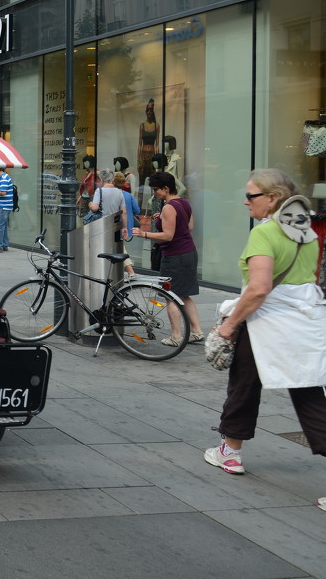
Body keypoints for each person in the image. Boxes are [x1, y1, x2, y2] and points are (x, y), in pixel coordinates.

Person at [206, 170, 326, 506]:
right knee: (308, 395)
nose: (245, 201)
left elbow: (259, 288)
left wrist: (229, 326)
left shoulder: (265, 233)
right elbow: (307, 280)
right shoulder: (308, 233)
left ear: (272, 198)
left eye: (252, 195)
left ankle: (230, 452)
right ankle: (229, 450)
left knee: (243, 386)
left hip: (264, 322)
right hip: (302, 324)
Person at [130, 171, 205, 343]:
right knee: (184, 295)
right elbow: (189, 226)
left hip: (175, 255)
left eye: (156, 189)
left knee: (170, 296)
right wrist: (163, 218)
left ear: (166, 188)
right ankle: (197, 331)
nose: (154, 192)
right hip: (189, 252)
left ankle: (176, 336)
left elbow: (168, 236)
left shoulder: (169, 207)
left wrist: (144, 234)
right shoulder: (184, 203)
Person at [114, 171, 141, 277]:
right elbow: (137, 210)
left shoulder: (113, 195)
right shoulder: (128, 195)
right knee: (118, 247)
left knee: (119, 247)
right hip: (126, 226)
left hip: (116, 226)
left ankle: (131, 271)